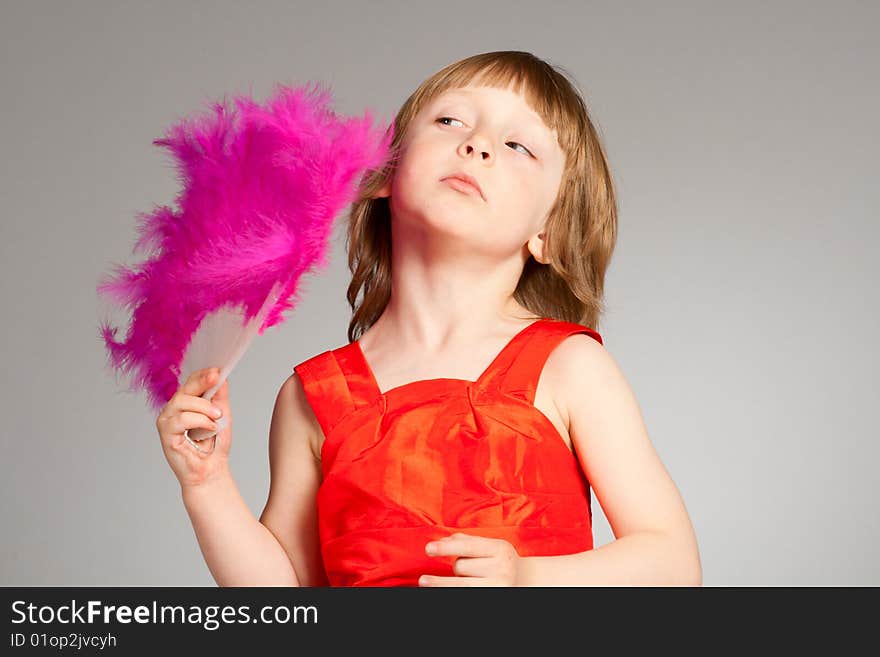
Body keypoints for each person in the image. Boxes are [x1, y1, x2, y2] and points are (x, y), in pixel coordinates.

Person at [155, 50, 702, 587]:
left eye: (516, 145)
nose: (476, 145)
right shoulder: (312, 396)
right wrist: (207, 485)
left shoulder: (570, 367)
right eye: (449, 120)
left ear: (549, 233)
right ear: (384, 175)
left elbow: (673, 566)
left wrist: (527, 577)